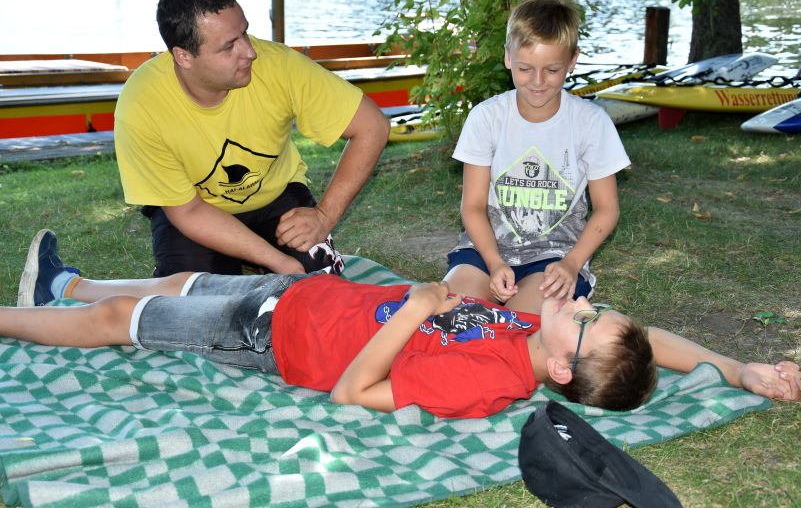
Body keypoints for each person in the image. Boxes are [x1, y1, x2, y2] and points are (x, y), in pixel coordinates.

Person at [13, 230, 801, 419]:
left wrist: (422, 308)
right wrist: (737, 370)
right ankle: (64, 282)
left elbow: (357, 391)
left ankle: (25, 315)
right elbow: (645, 345)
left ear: (561, 371)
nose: (584, 302)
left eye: (585, 321)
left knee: (125, 321)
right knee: (187, 275)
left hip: (277, 338)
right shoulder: (526, 336)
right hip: (307, 298)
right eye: (598, 306)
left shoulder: (490, 378)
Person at [114, 0, 389, 277]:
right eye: (229, 46)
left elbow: (372, 127)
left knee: (319, 284)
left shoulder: (280, 66)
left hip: (276, 197)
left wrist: (323, 217)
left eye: (244, 32)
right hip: (198, 210)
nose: (249, 51)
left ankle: (255, 262)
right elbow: (188, 212)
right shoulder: (142, 103)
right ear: (183, 57)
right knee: (195, 306)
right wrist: (277, 261)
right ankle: (241, 263)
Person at [445, 0, 628, 314]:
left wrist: (572, 263)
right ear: (507, 58)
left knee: (522, 325)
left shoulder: (591, 122)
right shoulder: (486, 117)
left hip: (555, 257)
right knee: (451, 311)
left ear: (572, 61)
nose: (538, 81)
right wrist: (493, 261)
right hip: (486, 249)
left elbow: (607, 209)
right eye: (525, 68)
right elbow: (473, 206)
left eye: (552, 69)